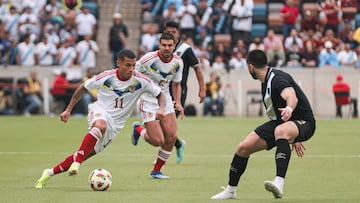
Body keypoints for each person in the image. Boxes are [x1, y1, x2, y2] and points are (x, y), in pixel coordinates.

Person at [34, 49, 166, 189]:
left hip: (115, 126)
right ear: (118, 63)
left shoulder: (141, 80)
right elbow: (82, 88)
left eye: (133, 65)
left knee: (85, 153)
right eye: (128, 65)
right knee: (100, 126)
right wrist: (68, 109)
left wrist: (162, 109)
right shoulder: (106, 77)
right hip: (100, 111)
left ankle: (48, 173)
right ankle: (77, 162)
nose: (131, 69)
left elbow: (160, 95)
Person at [211, 49, 316, 200]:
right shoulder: (265, 80)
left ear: (250, 67)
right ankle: (230, 190)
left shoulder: (277, 79)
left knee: (281, 131)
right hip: (283, 122)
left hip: (304, 122)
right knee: (243, 147)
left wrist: (289, 109)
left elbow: (291, 96)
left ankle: (279, 183)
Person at [131, 32, 184, 179]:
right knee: (157, 141)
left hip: (165, 99)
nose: (166, 48)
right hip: (148, 100)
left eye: (169, 45)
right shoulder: (147, 60)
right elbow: (131, 75)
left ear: (174, 46)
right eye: (164, 45)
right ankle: (138, 129)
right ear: (159, 45)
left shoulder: (178, 62)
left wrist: (178, 102)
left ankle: (156, 171)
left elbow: (177, 84)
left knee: (172, 136)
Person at [164, 21, 206, 164]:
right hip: (162, 90)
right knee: (160, 123)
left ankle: (167, 152)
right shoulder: (162, 48)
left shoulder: (185, 50)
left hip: (178, 91)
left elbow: (197, 69)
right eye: (168, 32)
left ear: (178, 33)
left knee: (167, 124)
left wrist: (202, 89)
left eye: (173, 32)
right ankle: (178, 144)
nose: (171, 35)